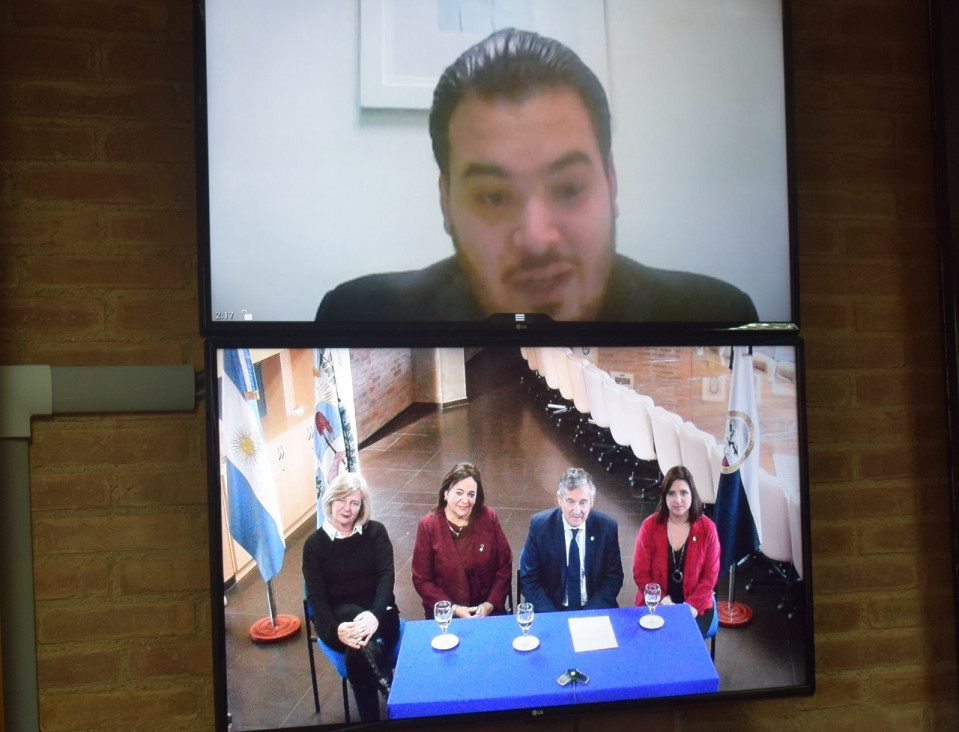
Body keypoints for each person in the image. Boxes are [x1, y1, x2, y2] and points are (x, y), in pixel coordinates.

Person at [316, 27, 757, 324]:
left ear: (612, 183)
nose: (537, 236)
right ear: (446, 203)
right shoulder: (361, 316)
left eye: (568, 188)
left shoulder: (715, 315)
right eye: (493, 196)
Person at [302, 473, 400, 722]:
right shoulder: (314, 546)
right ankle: (391, 692)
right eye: (342, 500)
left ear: (362, 506)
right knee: (351, 622)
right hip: (338, 624)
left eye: (354, 503)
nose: (347, 508)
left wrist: (375, 616)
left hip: (381, 617)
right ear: (331, 500)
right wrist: (336, 631)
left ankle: (371, 719)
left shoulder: (376, 532)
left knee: (356, 649)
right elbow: (317, 598)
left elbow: (386, 578)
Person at [411, 462, 513, 618]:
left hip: (488, 614)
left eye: (471, 494)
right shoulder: (428, 526)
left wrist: (490, 604)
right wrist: (453, 609)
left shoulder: (489, 518)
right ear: (445, 493)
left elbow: (504, 566)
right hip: (447, 616)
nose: (465, 500)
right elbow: (422, 580)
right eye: (459, 493)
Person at [519, 467, 623, 612]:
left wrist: (590, 614)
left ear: (592, 502)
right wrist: (554, 617)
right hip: (552, 609)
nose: (577, 510)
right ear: (559, 500)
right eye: (570, 501)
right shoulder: (540, 526)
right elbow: (529, 580)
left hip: (594, 608)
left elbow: (614, 578)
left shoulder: (607, 528)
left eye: (583, 502)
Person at [632, 465, 720, 637]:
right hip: (656, 603)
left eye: (683, 493)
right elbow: (640, 573)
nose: (677, 500)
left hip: (697, 607)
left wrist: (691, 607)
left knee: (684, 642)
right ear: (664, 496)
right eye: (671, 493)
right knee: (655, 643)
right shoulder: (649, 527)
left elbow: (710, 576)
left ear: (692, 494)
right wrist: (663, 601)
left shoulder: (708, 529)